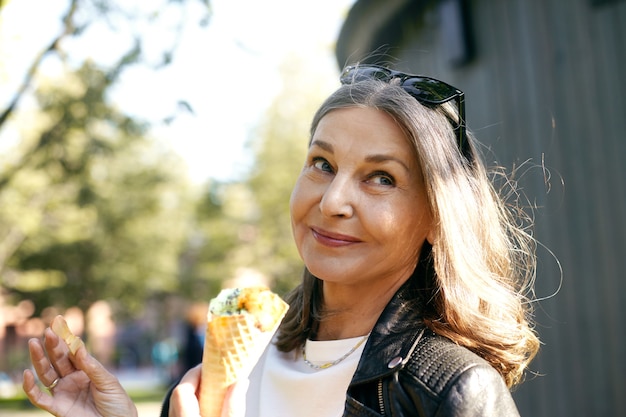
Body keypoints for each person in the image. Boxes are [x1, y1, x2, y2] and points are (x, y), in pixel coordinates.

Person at [23, 63, 540, 417]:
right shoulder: (222, 372)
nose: (333, 199)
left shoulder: (450, 392)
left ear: (435, 218)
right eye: (322, 164)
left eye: (381, 177)